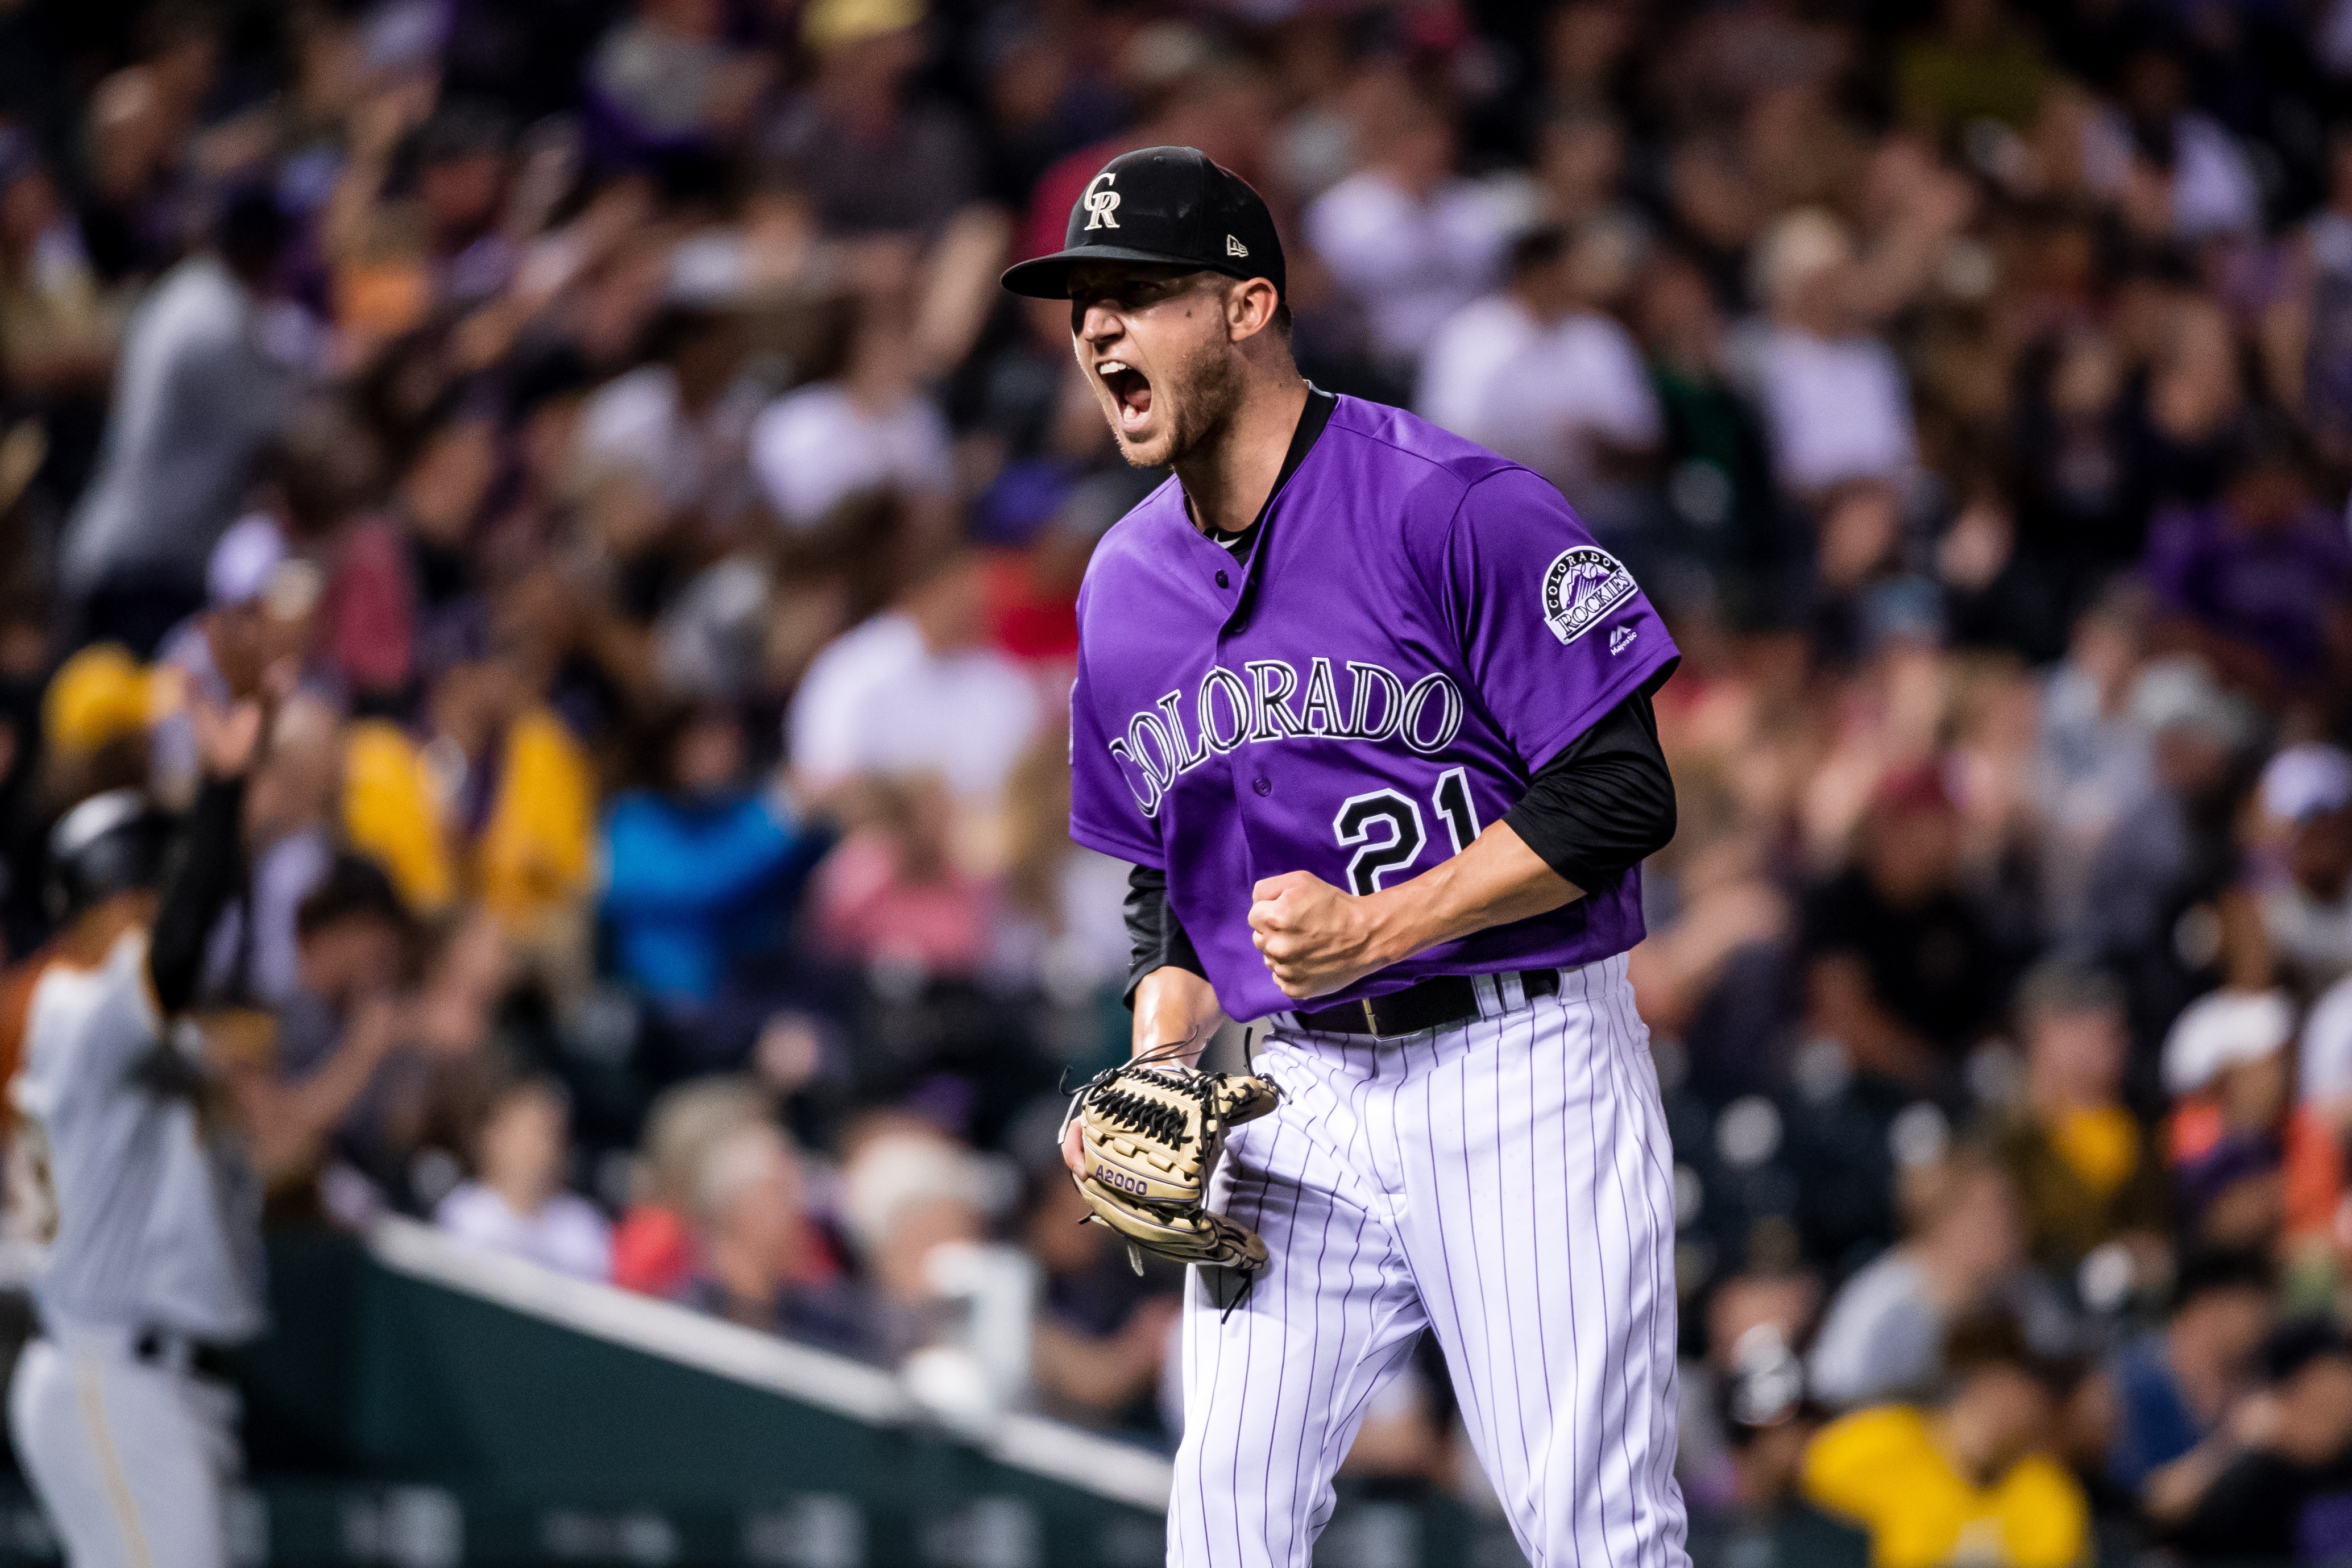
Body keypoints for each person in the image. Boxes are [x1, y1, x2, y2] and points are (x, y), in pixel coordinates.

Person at [1004, 146, 1686, 1566]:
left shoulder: (1451, 504)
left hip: (1521, 1069)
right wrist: (1154, 1045)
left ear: (1249, 308)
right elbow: (1166, 886)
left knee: (1595, 1536)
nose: (1099, 331)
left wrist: (1386, 927)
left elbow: (1621, 795)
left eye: (1139, 295)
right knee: (1224, 1533)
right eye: (1084, 306)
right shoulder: (1123, 585)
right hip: (1297, 1094)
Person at [5, 682, 273, 1568]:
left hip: (160, 1378)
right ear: (87, 912)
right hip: (112, 1368)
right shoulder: (81, 1014)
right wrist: (225, 788)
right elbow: (180, 952)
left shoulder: (144, 1035)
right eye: (134, 899)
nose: (146, 916)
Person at [1801, 1311, 2089, 1568]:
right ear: (1981, 1373)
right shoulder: (1879, 1443)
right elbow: (1787, 1513)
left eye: (2041, 1393)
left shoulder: (2047, 1491)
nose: (2021, 1404)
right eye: (2014, 1380)